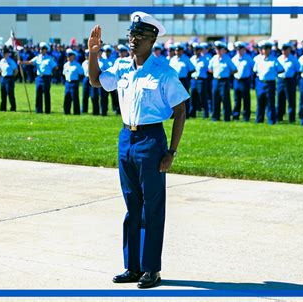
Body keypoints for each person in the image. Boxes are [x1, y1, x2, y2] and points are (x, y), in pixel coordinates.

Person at [88, 12, 188, 289]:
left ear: (153, 40)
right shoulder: (121, 66)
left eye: (140, 37)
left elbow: (181, 111)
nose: (133, 40)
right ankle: (131, 267)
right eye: (131, 35)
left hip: (151, 139)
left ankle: (151, 269)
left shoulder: (164, 72)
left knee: (152, 208)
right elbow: (96, 81)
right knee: (133, 206)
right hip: (126, 137)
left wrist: (171, 152)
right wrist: (93, 54)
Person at [20, 43, 58, 113]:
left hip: (46, 77)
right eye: (40, 49)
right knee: (38, 94)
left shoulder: (49, 58)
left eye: (42, 49)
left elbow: (55, 67)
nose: (41, 50)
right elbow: (30, 62)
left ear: (46, 50)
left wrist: (50, 70)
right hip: (39, 78)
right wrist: (22, 62)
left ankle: (47, 110)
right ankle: (38, 110)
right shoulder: (37, 58)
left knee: (46, 94)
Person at [253, 40, 284, 124]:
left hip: (270, 83)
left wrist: (272, 74)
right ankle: (259, 119)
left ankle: (271, 120)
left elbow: (281, 70)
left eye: (267, 49)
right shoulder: (258, 59)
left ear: (270, 50)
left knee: (270, 102)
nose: (265, 50)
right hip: (260, 82)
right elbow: (255, 70)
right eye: (263, 49)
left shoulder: (274, 60)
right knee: (260, 101)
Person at [208, 41, 237, 122]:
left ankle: (227, 117)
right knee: (215, 98)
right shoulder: (213, 58)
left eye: (220, 49)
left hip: (224, 81)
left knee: (225, 99)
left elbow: (235, 70)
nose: (218, 51)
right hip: (216, 80)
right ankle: (215, 117)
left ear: (224, 50)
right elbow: (210, 69)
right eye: (217, 49)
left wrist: (227, 74)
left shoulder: (227, 59)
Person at [169, 42, 195, 118]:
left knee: (184, 97)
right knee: (173, 97)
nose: (177, 52)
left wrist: (186, 75)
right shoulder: (173, 59)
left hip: (183, 80)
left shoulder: (186, 59)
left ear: (182, 51)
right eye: (176, 50)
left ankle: (186, 113)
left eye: (179, 50)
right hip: (174, 80)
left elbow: (192, 69)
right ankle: (173, 114)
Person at [277, 42, 300, 123]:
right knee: (280, 99)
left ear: (289, 50)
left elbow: (298, 70)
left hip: (290, 80)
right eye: (283, 50)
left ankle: (291, 118)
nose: (284, 51)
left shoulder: (293, 59)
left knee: (290, 100)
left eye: (286, 49)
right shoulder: (279, 59)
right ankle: (279, 116)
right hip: (280, 80)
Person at [231, 41, 254, 121]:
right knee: (237, 99)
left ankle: (246, 116)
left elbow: (253, 68)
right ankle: (235, 115)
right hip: (236, 80)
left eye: (240, 49)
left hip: (245, 81)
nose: (239, 51)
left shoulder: (248, 58)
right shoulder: (234, 59)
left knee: (246, 99)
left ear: (244, 49)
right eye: (237, 49)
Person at [190, 43, 210, 118]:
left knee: (203, 97)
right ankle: (192, 113)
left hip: (201, 80)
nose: (195, 51)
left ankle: (205, 113)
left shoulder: (204, 59)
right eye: (194, 50)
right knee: (193, 97)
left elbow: (209, 70)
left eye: (197, 50)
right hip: (193, 80)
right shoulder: (191, 59)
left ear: (200, 50)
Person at [63, 49, 84, 114]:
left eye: (70, 56)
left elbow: (81, 73)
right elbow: (64, 73)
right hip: (67, 83)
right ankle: (67, 111)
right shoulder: (65, 65)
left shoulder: (77, 64)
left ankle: (76, 112)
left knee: (75, 98)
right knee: (67, 97)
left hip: (74, 82)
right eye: (67, 56)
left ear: (73, 57)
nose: (68, 57)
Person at [82, 49, 102, 115]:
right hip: (86, 78)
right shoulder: (84, 63)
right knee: (85, 95)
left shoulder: (95, 62)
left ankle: (96, 111)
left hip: (92, 78)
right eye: (86, 55)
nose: (87, 57)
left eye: (88, 55)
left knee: (94, 95)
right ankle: (84, 110)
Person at [0, 46, 18, 111]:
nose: (3, 54)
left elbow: (16, 71)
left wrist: (12, 77)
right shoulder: (1, 61)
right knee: (3, 94)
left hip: (9, 78)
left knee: (10, 94)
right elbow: (0, 69)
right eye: (3, 53)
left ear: (8, 53)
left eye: (5, 53)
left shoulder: (11, 61)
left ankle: (13, 108)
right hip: (3, 78)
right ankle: (3, 108)